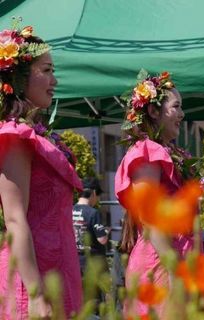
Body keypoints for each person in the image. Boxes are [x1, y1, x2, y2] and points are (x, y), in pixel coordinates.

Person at [0, 22, 82, 319]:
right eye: (46, 70)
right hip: (32, 281)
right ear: (19, 77)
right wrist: (35, 295)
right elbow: (14, 218)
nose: (55, 80)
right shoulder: (15, 136)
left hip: (58, 273)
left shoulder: (34, 135)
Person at [114, 70, 198, 318]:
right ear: (153, 111)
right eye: (176, 107)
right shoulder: (147, 152)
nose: (182, 115)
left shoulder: (165, 151)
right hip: (160, 265)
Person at [73, 176, 109, 275]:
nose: (97, 199)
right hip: (92, 265)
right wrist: (106, 231)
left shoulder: (69, 210)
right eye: (98, 196)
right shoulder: (93, 213)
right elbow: (102, 239)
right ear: (93, 193)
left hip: (74, 263)